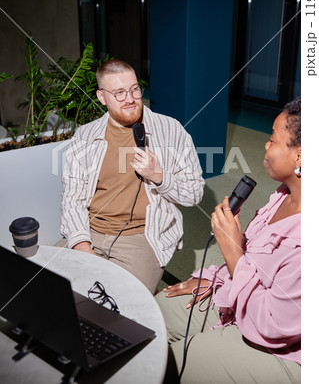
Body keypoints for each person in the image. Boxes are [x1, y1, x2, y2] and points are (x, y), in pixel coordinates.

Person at [155, 97, 301, 383]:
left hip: (279, 344)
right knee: (157, 310)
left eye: (272, 139)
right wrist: (215, 277)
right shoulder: (282, 196)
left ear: (300, 156)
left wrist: (232, 251)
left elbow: (273, 324)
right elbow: (254, 261)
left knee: (178, 359)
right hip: (241, 296)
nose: (265, 145)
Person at [60, 58, 205, 294]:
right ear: (101, 97)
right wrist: (82, 246)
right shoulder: (84, 136)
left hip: (141, 236)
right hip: (90, 229)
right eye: (118, 93)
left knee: (120, 306)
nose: (130, 99)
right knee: (49, 288)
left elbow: (194, 194)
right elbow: (72, 199)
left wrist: (159, 175)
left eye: (134, 89)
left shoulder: (171, 130)